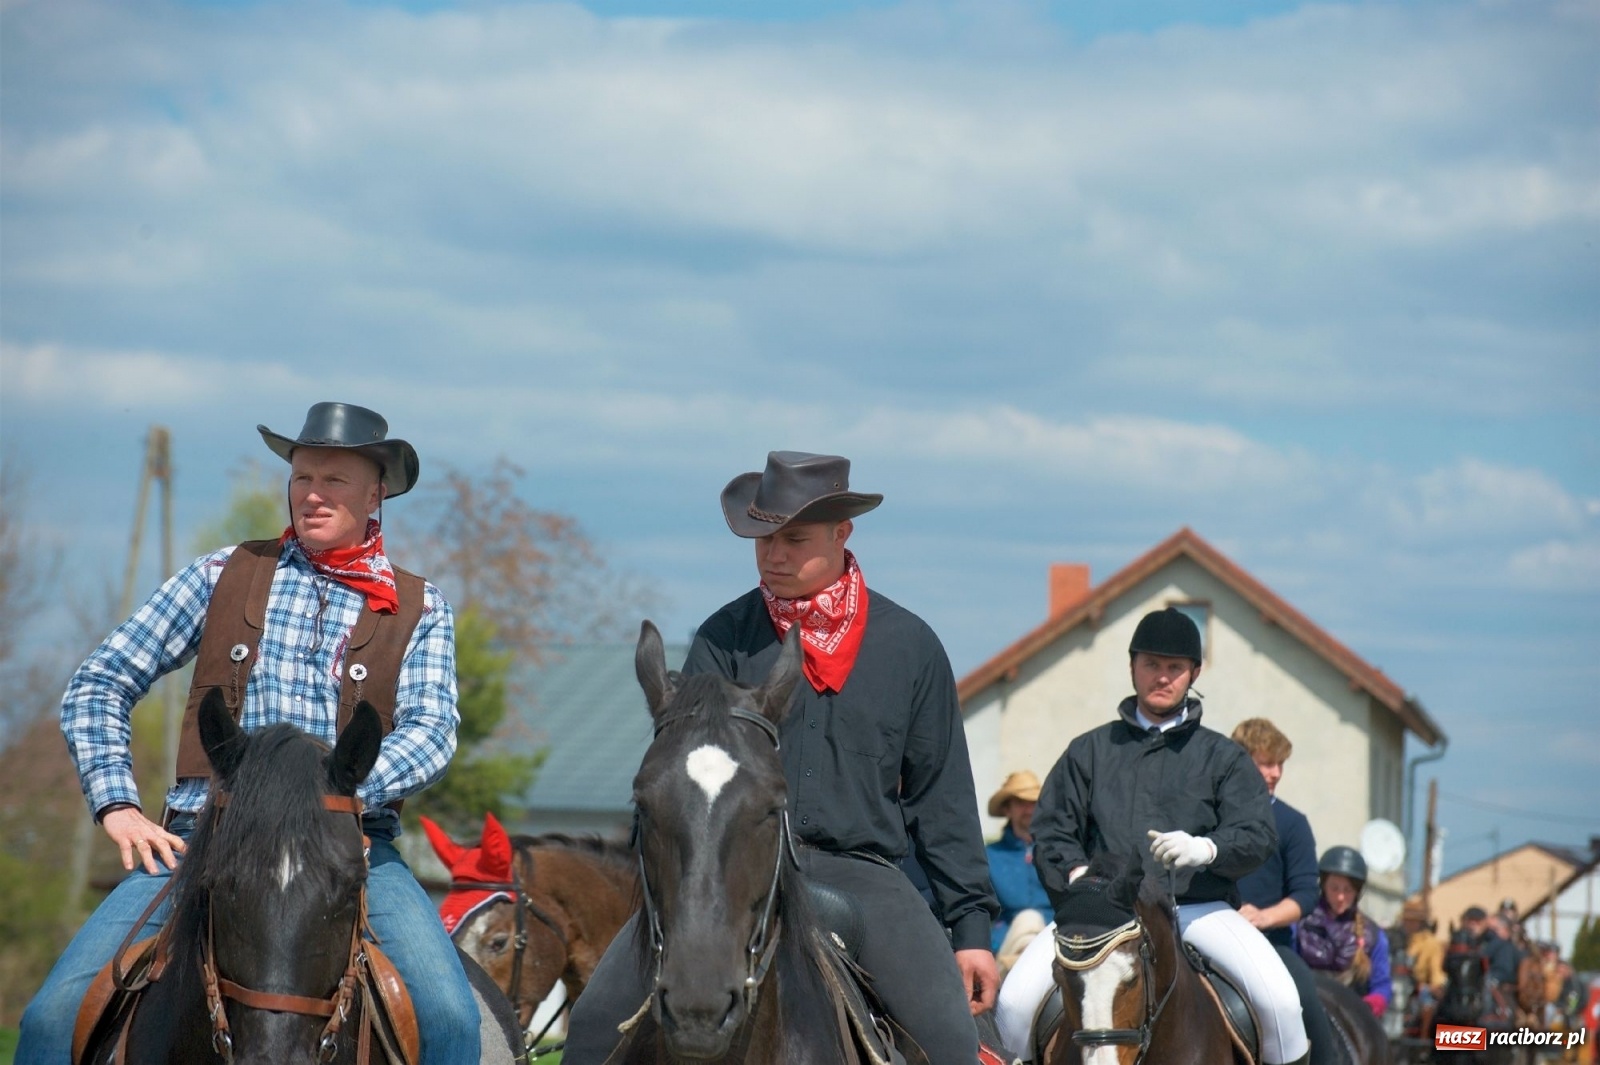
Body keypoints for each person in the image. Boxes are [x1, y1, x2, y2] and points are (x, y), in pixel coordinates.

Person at [18, 402, 480, 1065]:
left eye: (335, 480)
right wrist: (117, 803)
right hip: (200, 841)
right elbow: (101, 678)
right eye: (303, 478)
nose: (313, 494)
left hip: (350, 849)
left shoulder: (422, 606)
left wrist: (338, 788)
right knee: (50, 1020)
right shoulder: (221, 575)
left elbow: (433, 732)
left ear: (377, 493)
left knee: (448, 1018)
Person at [563, 451, 1001, 1065]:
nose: (774, 554)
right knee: (589, 1031)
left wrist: (972, 933)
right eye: (763, 539)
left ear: (842, 532)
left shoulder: (911, 646)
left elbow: (942, 796)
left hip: (862, 873)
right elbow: (679, 776)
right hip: (720, 871)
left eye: (794, 539)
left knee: (951, 1043)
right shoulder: (723, 636)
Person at [997, 607, 1310, 1065]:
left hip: (1199, 908)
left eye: (1174, 668)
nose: (1161, 677)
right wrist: (1082, 876)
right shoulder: (1088, 752)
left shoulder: (1222, 757)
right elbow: (1051, 830)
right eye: (1151, 665)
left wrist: (1208, 849)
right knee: (1013, 1005)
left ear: (1193, 673)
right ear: (1132, 667)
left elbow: (1256, 832)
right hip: (1101, 914)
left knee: (1280, 1004)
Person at [1232, 718, 1340, 1065]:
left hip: (1272, 944)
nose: (1276, 772)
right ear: (1241, 760)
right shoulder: (1209, 817)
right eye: (1266, 762)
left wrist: (1263, 917)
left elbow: (1306, 894)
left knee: (1303, 998)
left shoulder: (1293, 824)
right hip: (1205, 934)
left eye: (1280, 764)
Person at [1295, 846, 1392, 1019]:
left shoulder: (1374, 935)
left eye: (1347, 890)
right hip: (1302, 1012)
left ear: (1357, 891)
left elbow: (1382, 986)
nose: (1340, 897)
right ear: (1323, 885)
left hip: (1349, 1018)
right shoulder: (1298, 924)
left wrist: (1368, 1007)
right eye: (1334, 888)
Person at [985, 770, 1051, 976]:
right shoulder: (989, 856)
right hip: (1006, 950)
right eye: (1021, 802)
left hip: (1053, 942)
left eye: (1034, 802)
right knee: (1028, 919)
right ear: (1007, 809)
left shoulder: (1059, 853)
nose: (1029, 809)